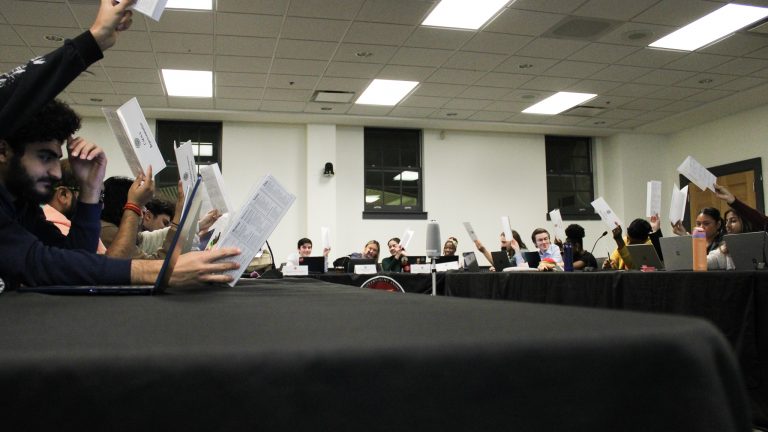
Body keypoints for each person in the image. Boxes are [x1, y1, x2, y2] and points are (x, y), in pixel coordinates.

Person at [0, 2, 239, 289]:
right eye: (44, 157)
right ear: (3, 150)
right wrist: (92, 41)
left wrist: (90, 190)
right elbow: (37, 264)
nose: (55, 172)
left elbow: (73, 258)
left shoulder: (22, 206)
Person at [43, 159, 107, 253]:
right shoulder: (57, 232)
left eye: (100, 196)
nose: (102, 206)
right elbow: (89, 260)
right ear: (63, 195)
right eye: (91, 195)